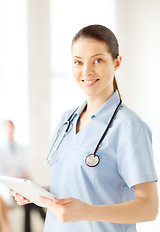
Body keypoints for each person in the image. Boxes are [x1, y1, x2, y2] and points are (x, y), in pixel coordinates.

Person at [12, 24, 158, 232]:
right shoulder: (67, 120)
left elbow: (149, 207)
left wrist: (87, 211)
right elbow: (72, 185)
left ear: (117, 62)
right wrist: (38, 193)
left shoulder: (129, 126)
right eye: (78, 62)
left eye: (98, 60)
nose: (86, 71)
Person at [0, 120, 46, 232]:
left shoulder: (21, 147)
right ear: (4, 130)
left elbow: (24, 167)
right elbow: (1, 172)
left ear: (14, 129)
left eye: (11, 128)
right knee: (27, 199)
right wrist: (12, 176)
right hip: (8, 185)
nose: (10, 131)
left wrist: (28, 177)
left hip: (21, 181)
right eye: (7, 129)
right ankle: (44, 219)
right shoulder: (1, 149)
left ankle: (29, 228)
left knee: (31, 195)